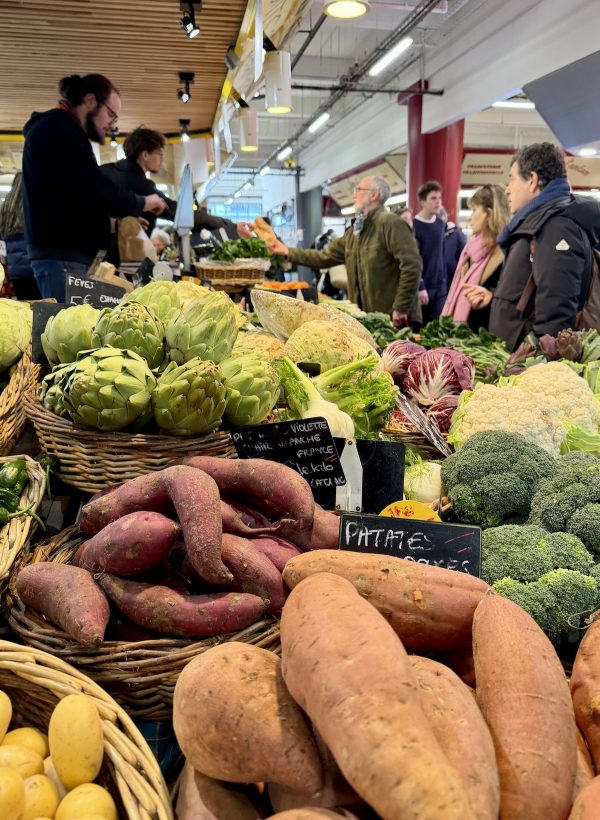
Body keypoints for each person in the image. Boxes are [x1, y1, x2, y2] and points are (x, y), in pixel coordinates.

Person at [22, 74, 166, 300]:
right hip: (62, 257)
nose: (112, 125)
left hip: (66, 256)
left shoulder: (62, 131)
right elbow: (94, 185)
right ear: (90, 101)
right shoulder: (57, 130)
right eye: (111, 114)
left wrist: (114, 224)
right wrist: (142, 202)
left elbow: (74, 197)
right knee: (68, 333)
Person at [267, 175, 422, 326]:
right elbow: (324, 257)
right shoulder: (355, 233)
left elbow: (412, 265)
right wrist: (287, 251)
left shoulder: (390, 223)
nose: (353, 194)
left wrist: (401, 307)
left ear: (373, 195)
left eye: (358, 189)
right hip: (371, 319)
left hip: (395, 318)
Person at [489, 142, 600, 350]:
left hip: (528, 361)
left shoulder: (557, 226)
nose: (507, 190)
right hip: (516, 355)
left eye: (512, 179)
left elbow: (556, 312)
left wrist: (537, 362)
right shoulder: (540, 223)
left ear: (532, 180)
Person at [442, 185, 510, 331]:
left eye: (474, 210)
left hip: (486, 339)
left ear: (489, 214)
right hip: (462, 337)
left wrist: (491, 295)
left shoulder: (507, 252)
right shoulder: (470, 249)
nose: (469, 217)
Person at [0, 173, 41, 300]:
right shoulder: (32, 207)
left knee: (25, 305)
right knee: (42, 306)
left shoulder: (5, 208)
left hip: (16, 271)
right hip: (34, 267)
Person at [413, 180, 446, 324]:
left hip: (440, 287)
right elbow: (414, 260)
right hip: (422, 288)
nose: (438, 202)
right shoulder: (414, 226)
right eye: (433, 198)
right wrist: (420, 286)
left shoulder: (440, 224)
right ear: (422, 202)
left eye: (439, 198)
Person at [442, 208, 467, 289]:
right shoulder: (433, 236)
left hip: (453, 280)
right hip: (437, 282)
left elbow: (465, 257)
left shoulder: (457, 235)